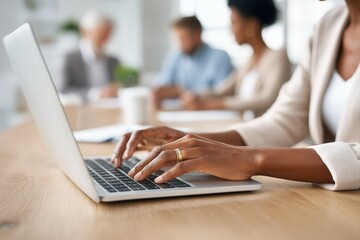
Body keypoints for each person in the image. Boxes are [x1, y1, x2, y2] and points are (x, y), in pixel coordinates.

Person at [111, 0, 360, 191]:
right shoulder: (328, 25)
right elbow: (286, 119)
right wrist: (195, 141)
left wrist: (252, 158)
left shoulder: (277, 55)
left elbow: (262, 101)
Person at [182, 0, 292, 121]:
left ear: (252, 24)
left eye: (234, 22)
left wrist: (215, 104)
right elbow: (221, 91)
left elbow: (266, 99)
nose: (231, 30)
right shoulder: (249, 62)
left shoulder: (277, 57)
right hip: (245, 129)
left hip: (267, 134)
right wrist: (193, 95)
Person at [153, 16, 234, 109]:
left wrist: (181, 91)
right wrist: (159, 93)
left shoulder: (219, 57)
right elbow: (162, 84)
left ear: (197, 34)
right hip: (179, 114)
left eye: (183, 39)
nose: (180, 45)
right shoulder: (175, 56)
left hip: (210, 114)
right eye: (177, 40)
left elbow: (222, 93)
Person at [59, 11, 119, 102]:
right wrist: (97, 94)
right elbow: (63, 90)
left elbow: (118, 85)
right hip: (82, 111)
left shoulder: (113, 60)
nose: (105, 40)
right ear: (85, 32)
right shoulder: (70, 58)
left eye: (108, 35)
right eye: (101, 34)